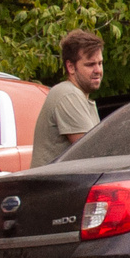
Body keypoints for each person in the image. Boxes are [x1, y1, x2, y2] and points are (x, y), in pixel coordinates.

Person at [29, 30, 104, 167]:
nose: (98, 70)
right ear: (71, 67)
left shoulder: (78, 96)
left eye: (100, 63)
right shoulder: (68, 94)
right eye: (90, 64)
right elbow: (92, 153)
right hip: (52, 187)